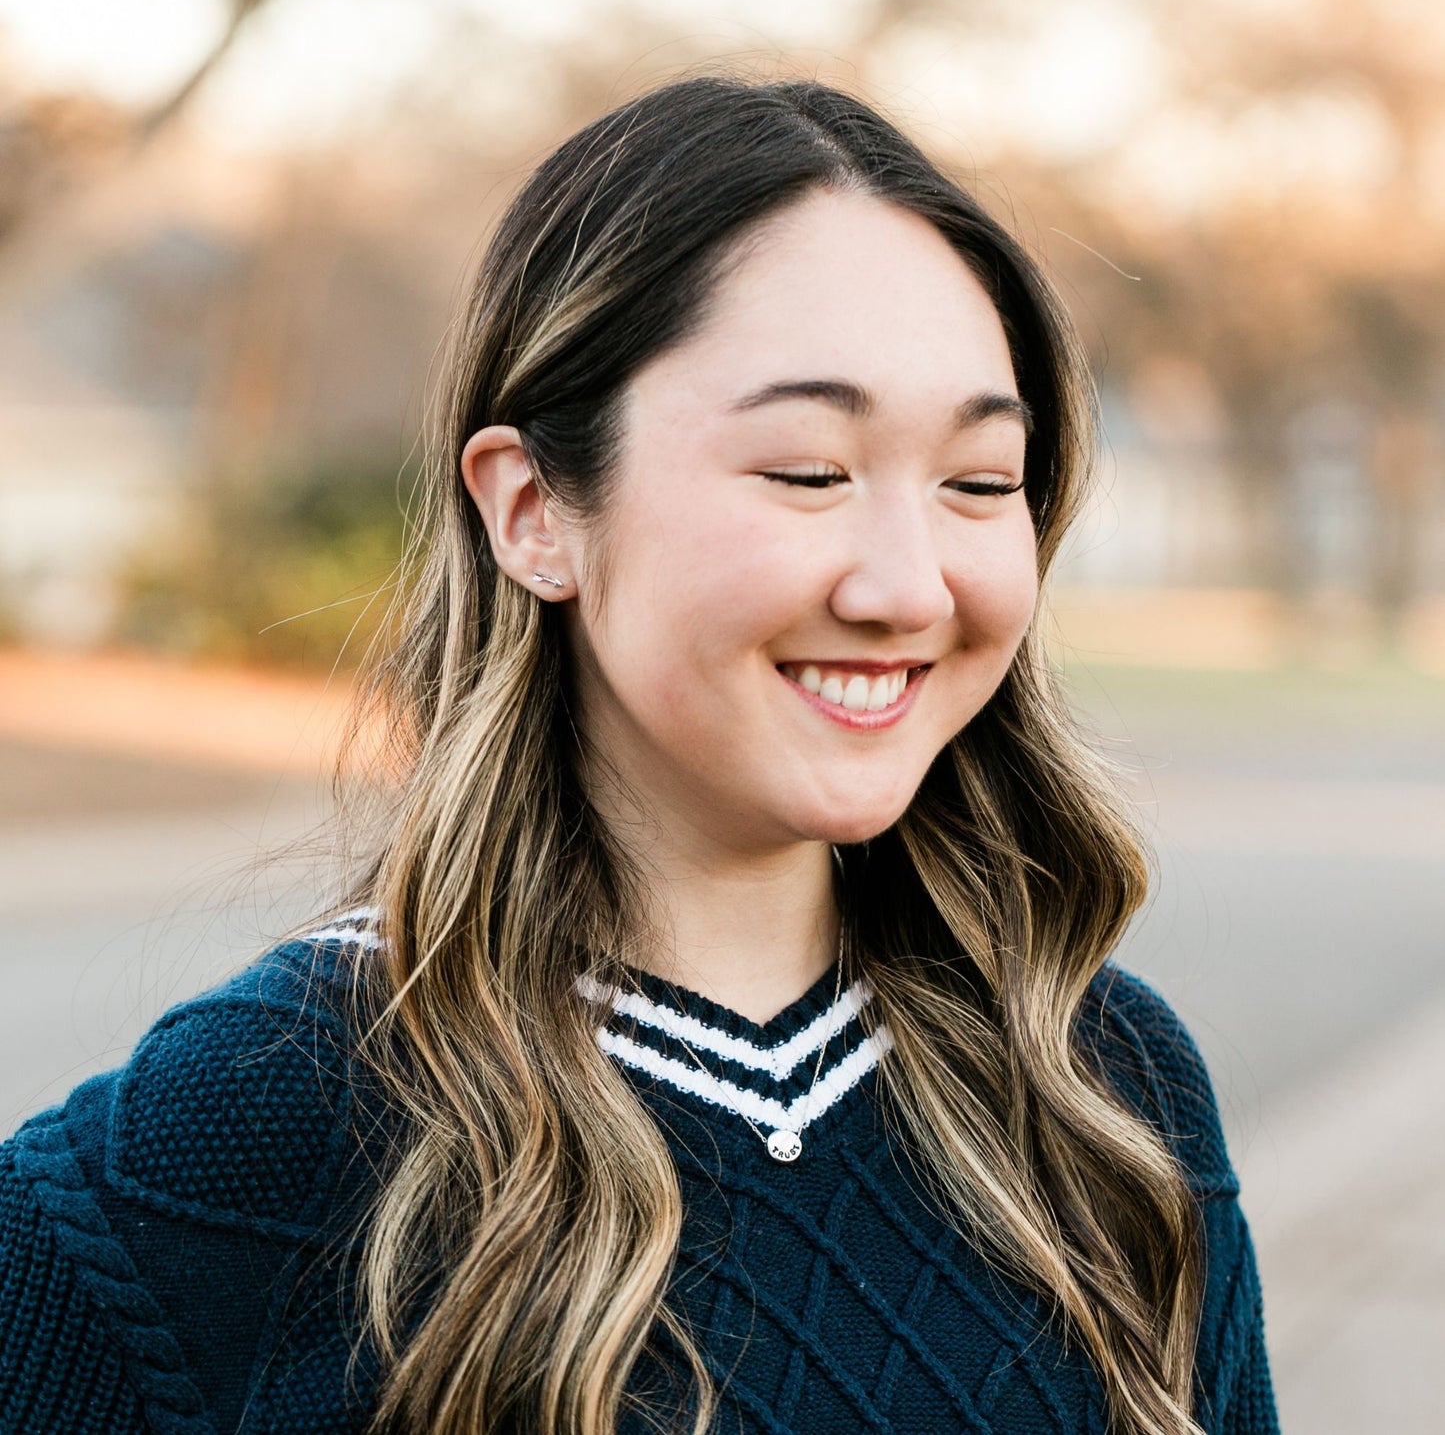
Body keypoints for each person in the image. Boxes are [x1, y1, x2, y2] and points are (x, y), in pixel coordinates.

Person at [0, 76, 1278, 1435]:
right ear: (534, 508)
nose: (911, 587)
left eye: (976, 482)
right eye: (806, 470)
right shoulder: (207, 1159)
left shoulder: (1107, 1094)